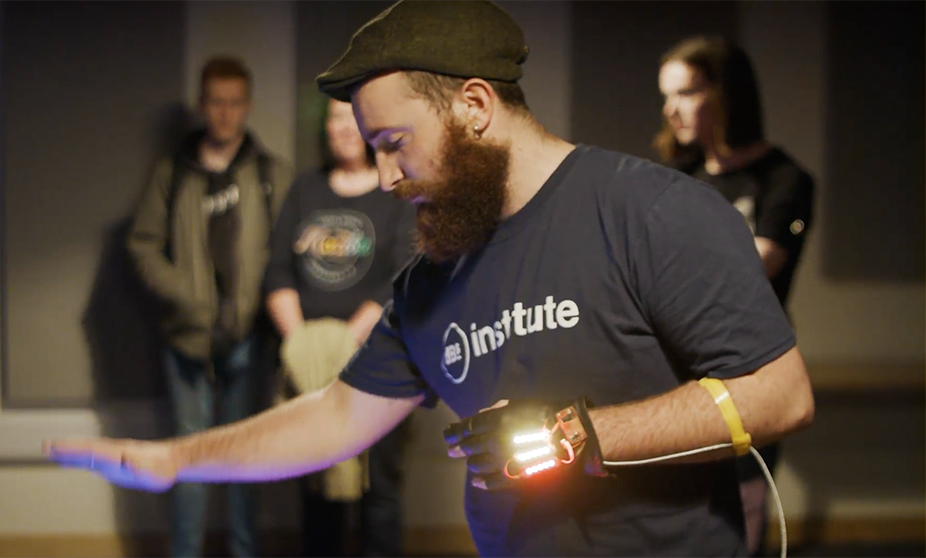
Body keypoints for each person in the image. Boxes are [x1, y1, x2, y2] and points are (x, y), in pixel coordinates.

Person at [48, 3, 815, 557]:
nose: (383, 176)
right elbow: (334, 418)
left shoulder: (652, 211)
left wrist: (575, 435)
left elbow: (779, 395)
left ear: (476, 106)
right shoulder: (430, 282)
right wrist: (178, 458)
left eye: (393, 143)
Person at [654, 36, 816, 557]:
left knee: (740, 531)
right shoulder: (676, 179)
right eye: (666, 95)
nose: (670, 109)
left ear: (724, 93)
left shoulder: (783, 179)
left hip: (748, 372)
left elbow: (756, 267)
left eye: (685, 93)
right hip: (675, 375)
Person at [125, 55, 292, 557]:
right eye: (215, 102)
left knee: (244, 458)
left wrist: (263, 306)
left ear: (248, 105)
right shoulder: (171, 174)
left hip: (248, 338)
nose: (224, 114)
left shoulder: (270, 173)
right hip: (186, 338)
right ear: (202, 104)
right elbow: (143, 244)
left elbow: (286, 250)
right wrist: (187, 296)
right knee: (188, 457)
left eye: (234, 103)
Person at [264, 97, 415, 557]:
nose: (343, 128)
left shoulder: (394, 190)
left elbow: (403, 275)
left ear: (370, 127)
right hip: (309, 370)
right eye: (334, 118)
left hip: (380, 363)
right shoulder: (305, 189)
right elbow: (276, 272)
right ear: (324, 128)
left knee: (379, 490)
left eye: (352, 119)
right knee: (318, 489)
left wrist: (346, 340)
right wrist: (302, 344)